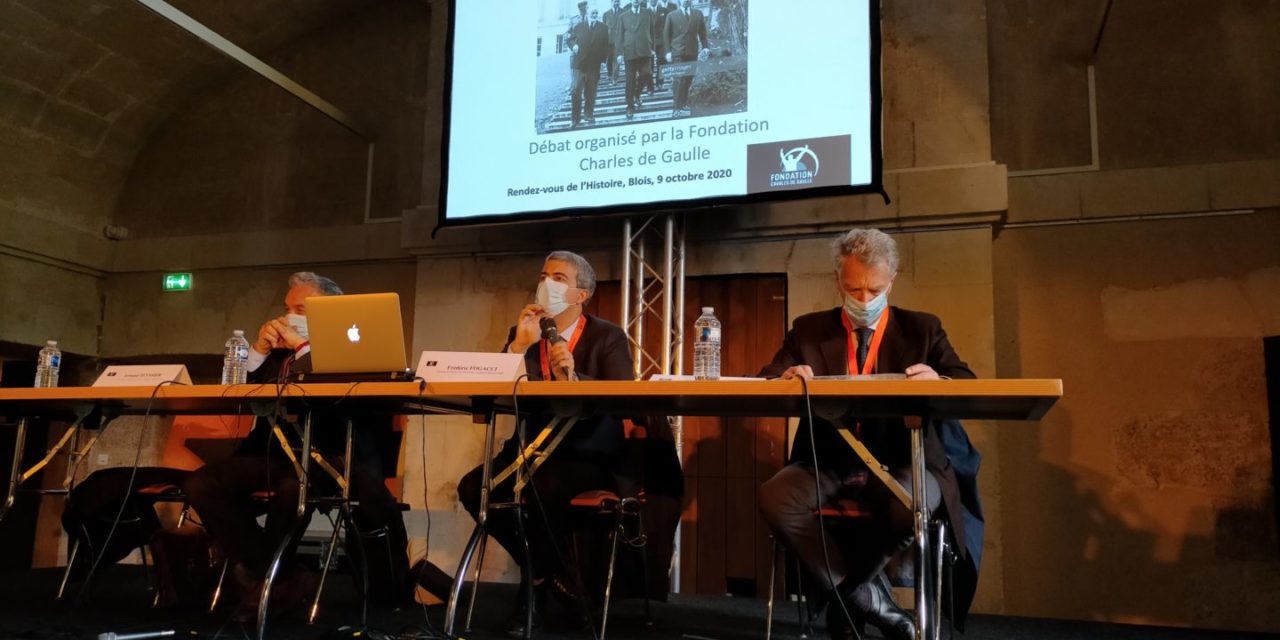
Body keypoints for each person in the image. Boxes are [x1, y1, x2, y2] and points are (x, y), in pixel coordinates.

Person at [756, 229, 979, 640]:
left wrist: (938, 378)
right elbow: (767, 378)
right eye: (854, 287)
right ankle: (868, 600)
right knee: (774, 496)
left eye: (873, 289)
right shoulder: (808, 330)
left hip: (903, 460)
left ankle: (849, 598)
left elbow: (965, 382)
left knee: (906, 507)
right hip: (828, 459)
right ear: (837, 281)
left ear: (891, 281)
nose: (863, 299)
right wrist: (786, 377)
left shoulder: (923, 329)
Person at [183, 272, 411, 621]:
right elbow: (234, 391)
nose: (288, 317)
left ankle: (268, 583)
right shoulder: (276, 354)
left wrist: (305, 348)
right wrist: (257, 351)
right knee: (202, 483)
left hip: (331, 457)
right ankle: (277, 574)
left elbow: (340, 401)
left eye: (300, 309)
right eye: (287, 308)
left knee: (294, 490)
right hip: (272, 453)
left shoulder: (355, 348)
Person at [456, 251, 634, 636]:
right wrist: (518, 347)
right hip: (529, 451)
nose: (546, 283)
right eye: (543, 275)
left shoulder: (608, 336)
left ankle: (532, 592)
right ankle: (549, 576)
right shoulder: (524, 333)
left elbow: (624, 399)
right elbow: (495, 394)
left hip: (586, 453)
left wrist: (576, 376)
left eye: (558, 277)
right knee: (473, 489)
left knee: (541, 489)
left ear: (580, 295)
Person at [664, 0, 709, 116]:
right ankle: (676, 108)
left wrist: (705, 47)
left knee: (688, 79)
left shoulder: (698, 14)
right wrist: (668, 52)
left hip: (692, 51)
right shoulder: (672, 15)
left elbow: (703, 32)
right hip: (677, 52)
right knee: (678, 79)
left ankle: (683, 103)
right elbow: (666, 35)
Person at [569, 7, 611, 127]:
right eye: (592, 13)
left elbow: (606, 45)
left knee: (591, 92)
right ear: (588, 14)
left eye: (596, 13)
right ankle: (575, 119)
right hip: (579, 65)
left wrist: (603, 61)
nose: (594, 15)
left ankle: (588, 114)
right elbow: (570, 39)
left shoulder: (603, 28)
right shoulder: (578, 26)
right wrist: (574, 46)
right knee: (576, 91)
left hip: (594, 66)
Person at [616, 1, 655, 120]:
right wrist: (619, 53)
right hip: (630, 52)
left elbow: (651, 31)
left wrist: (652, 48)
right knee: (630, 81)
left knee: (646, 74)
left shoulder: (648, 13)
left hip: (645, 51)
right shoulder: (623, 16)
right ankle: (629, 106)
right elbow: (619, 36)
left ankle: (637, 94)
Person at [602, 0, 624, 83]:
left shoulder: (623, 12)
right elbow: (603, 29)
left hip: (619, 39)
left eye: (618, 1)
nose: (616, 3)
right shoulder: (606, 14)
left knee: (617, 58)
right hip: (609, 40)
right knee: (610, 58)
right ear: (611, 2)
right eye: (614, 1)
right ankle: (610, 73)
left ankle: (615, 77)